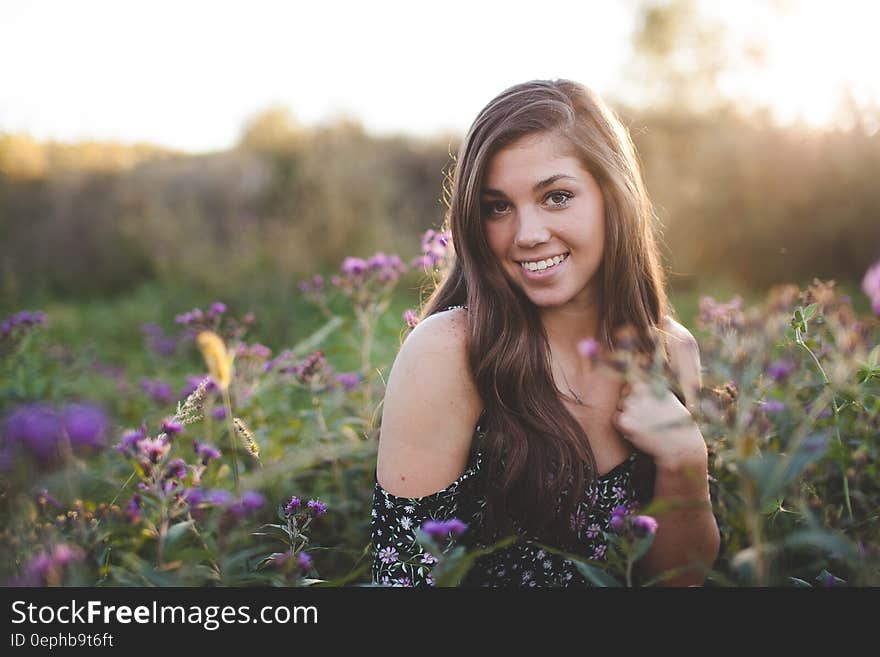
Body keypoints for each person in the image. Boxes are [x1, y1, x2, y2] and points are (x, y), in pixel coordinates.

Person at [371, 79, 720, 587]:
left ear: (612, 198)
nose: (527, 234)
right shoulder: (451, 353)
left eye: (556, 197)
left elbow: (676, 582)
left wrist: (685, 456)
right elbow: (404, 580)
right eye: (497, 206)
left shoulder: (670, 352)